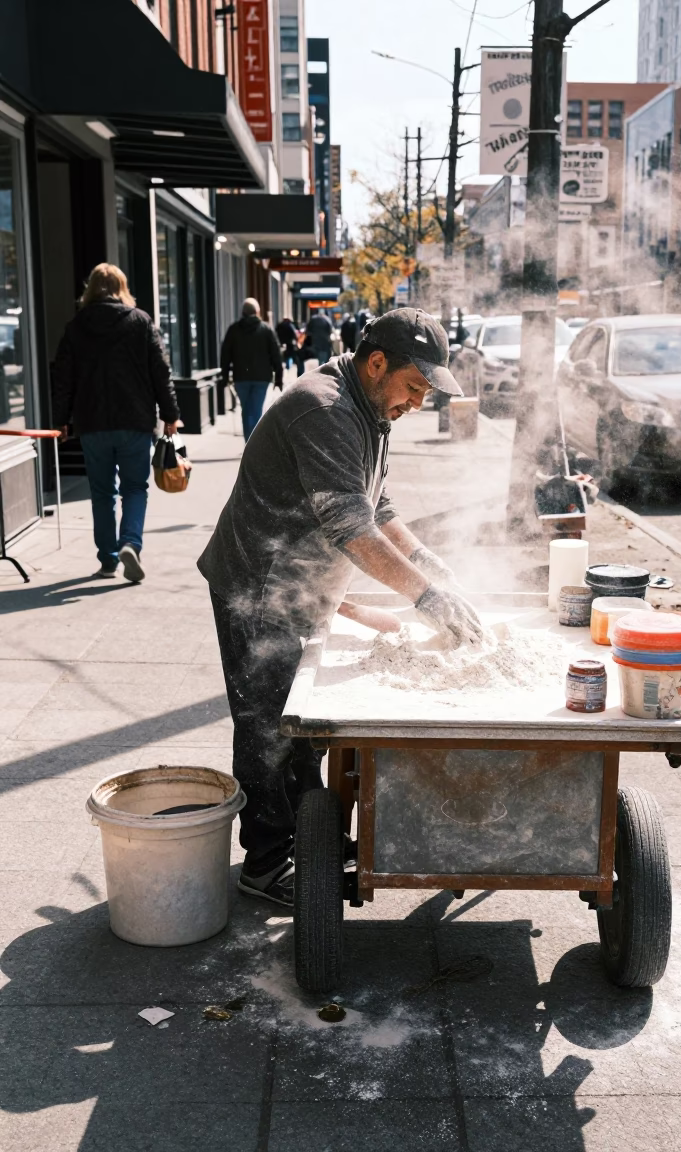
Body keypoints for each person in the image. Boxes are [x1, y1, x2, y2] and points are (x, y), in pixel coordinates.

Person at [198, 308, 480, 908]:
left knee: (304, 727)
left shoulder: (371, 407)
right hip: (259, 588)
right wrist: (424, 598)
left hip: (303, 588)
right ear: (376, 363)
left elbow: (379, 506)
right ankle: (268, 862)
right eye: (414, 387)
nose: (418, 403)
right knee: (270, 728)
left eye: (426, 393)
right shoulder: (324, 409)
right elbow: (350, 525)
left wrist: (434, 566)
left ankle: (311, 838)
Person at [52, 262, 179, 583]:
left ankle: (108, 559)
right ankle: (131, 544)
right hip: (135, 420)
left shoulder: (77, 326)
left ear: (90, 289)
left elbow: (63, 379)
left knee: (102, 492)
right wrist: (170, 414)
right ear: (122, 289)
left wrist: (60, 420)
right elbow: (160, 372)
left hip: (92, 422)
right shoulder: (140, 322)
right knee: (135, 487)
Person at [220, 299, 283, 441]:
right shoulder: (266, 329)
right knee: (256, 410)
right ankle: (253, 444)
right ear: (257, 312)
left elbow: (225, 354)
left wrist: (224, 376)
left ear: (243, 312)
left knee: (246, 410)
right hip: (261, 377)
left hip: (241, 377)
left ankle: (249, 441)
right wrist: (278, 378)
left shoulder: (234, 329)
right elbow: (276, 355)